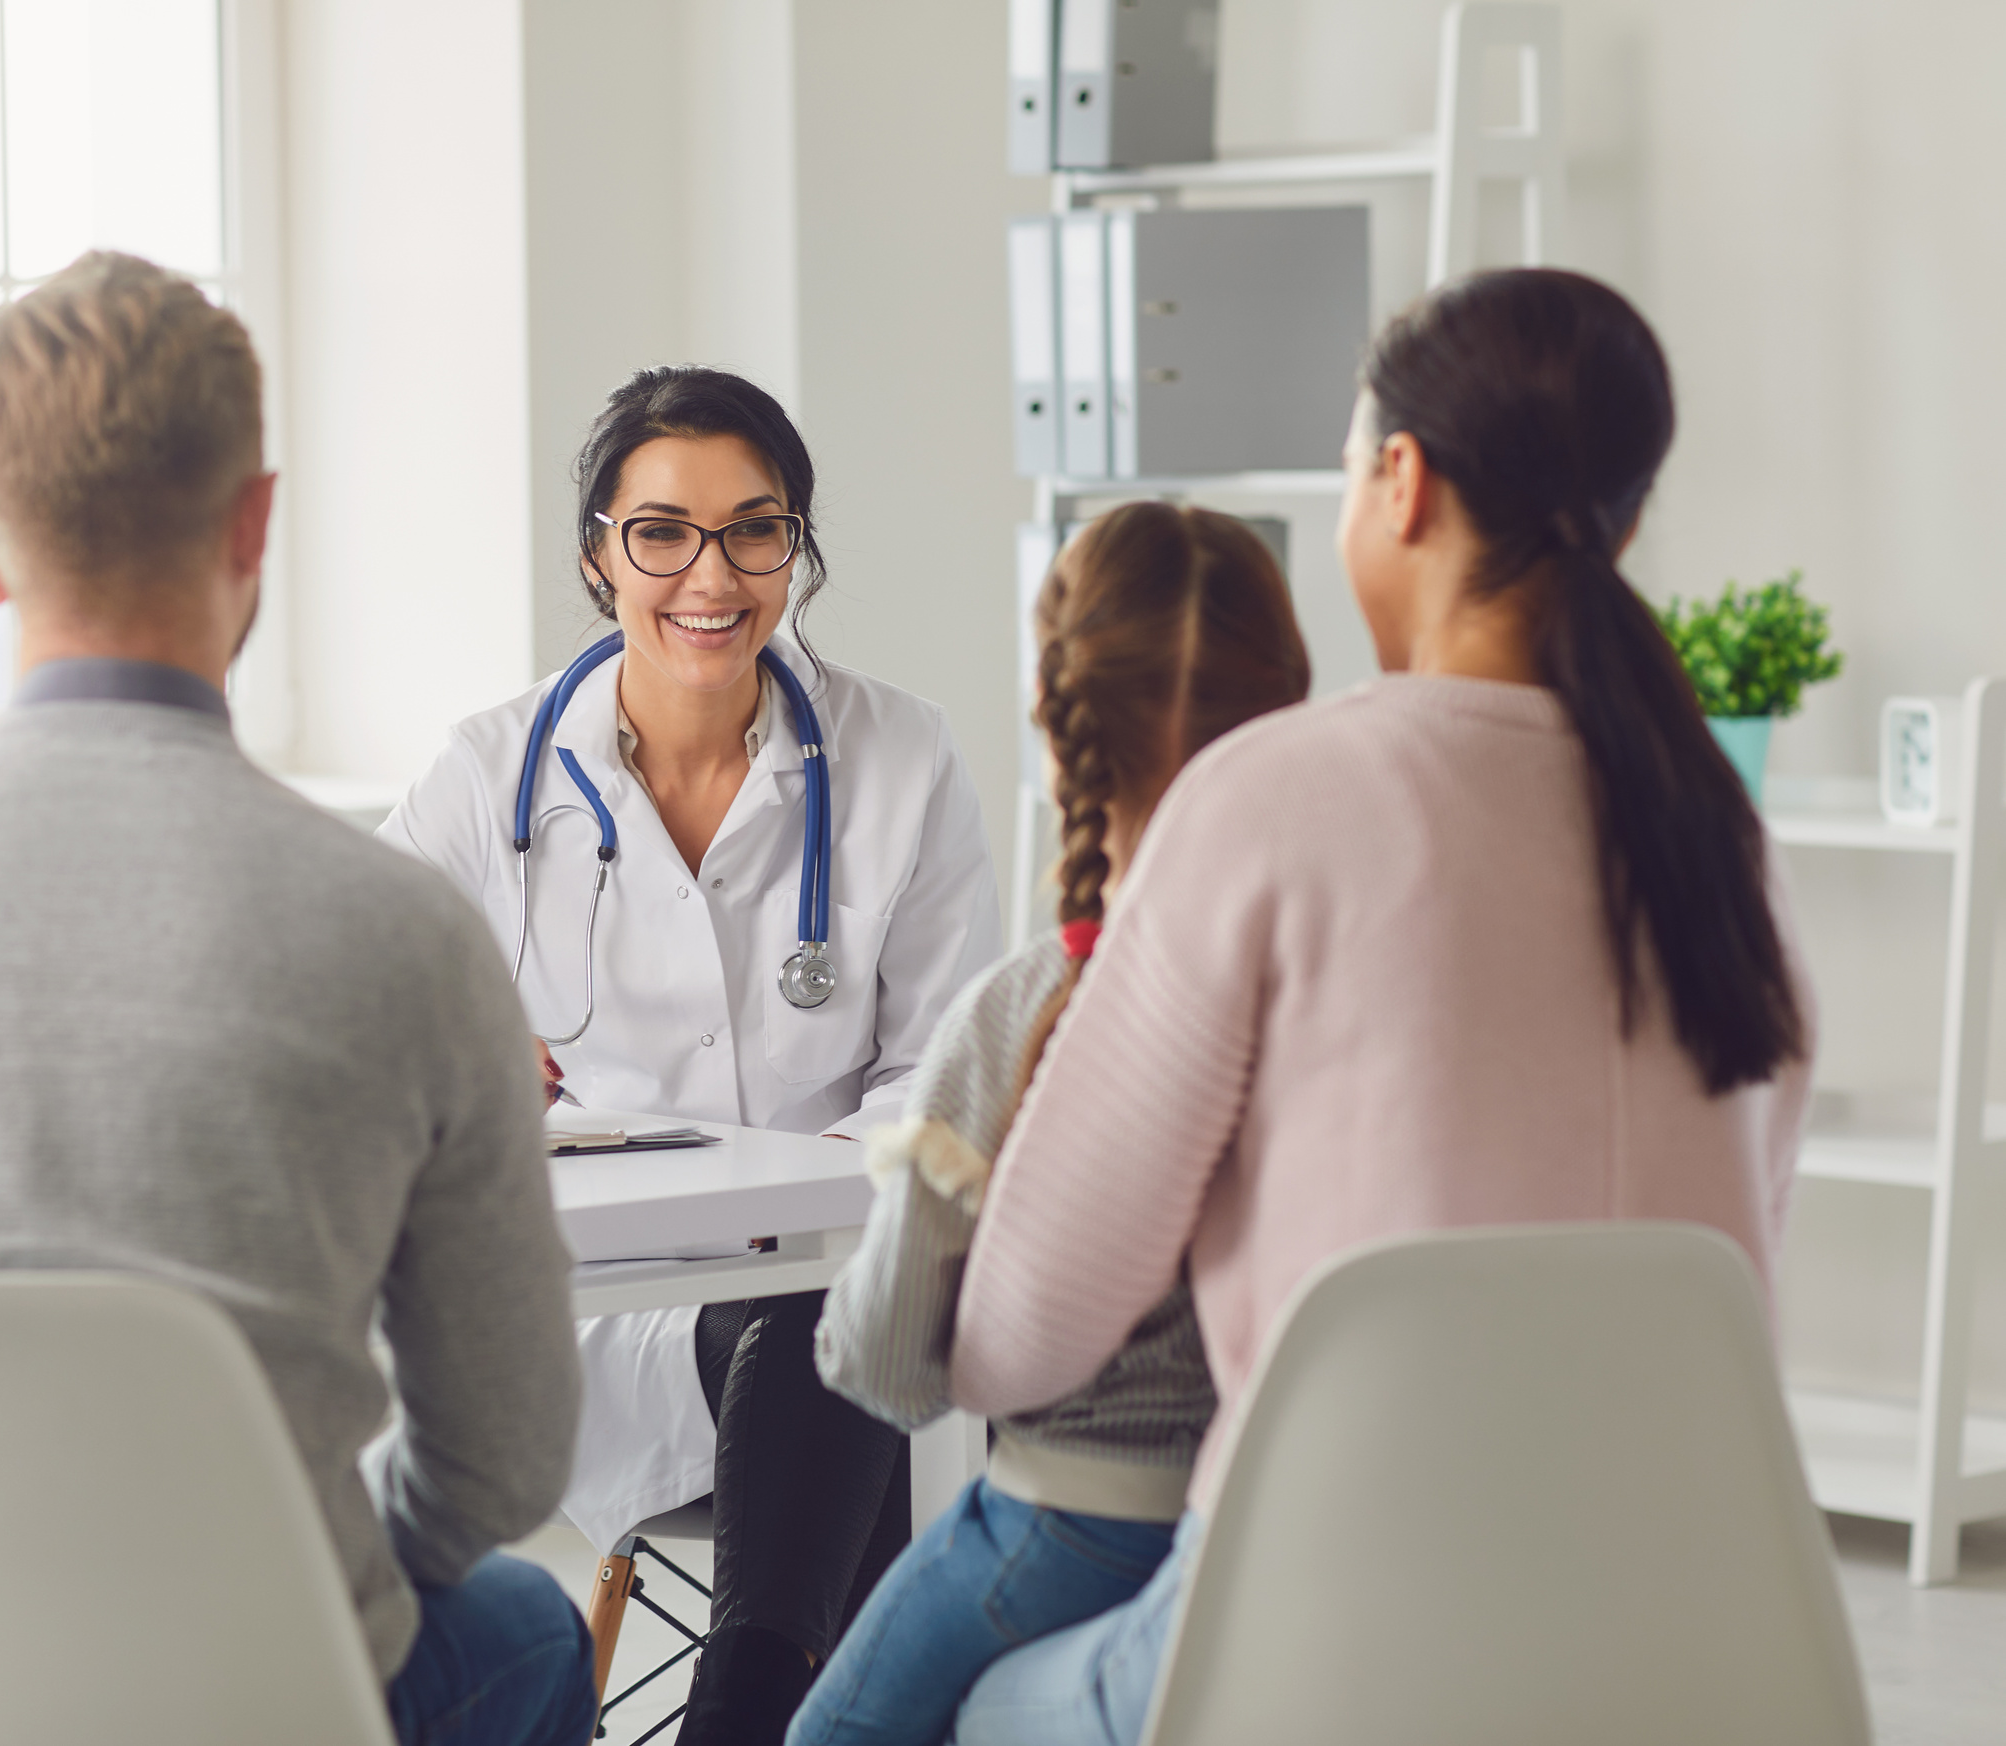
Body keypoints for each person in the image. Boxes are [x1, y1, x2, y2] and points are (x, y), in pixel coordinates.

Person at [0, 252, 595, 1746]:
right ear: (255, 519)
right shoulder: (404, 936)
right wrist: (306, 1583)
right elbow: (507, 1459)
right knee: (525, 1624)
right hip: (260, 1697)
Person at [940, 267, 1816, 1744]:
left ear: (1398, 483)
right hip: (1699, 1635)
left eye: (1350, 469)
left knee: (970, 1705)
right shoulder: (1718, 833)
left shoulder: (1268, 799)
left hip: (1325, 1644)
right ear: (1624, 519)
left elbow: (1018, 1330)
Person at [377, 365, 1002, 1743]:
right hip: (597, 1319)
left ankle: (737, 1710)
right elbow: (364, 1032)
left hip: (842, 1294)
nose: (708, 574)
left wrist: (802, 1198)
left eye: (752, 528)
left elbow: (948, 1075)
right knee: (847, 1357)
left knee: (832, 1318)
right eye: (660, 531)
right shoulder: (487, 782)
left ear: (796, 545)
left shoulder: (899, 759)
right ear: (598, 553)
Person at [790, 502, 1310, 1746]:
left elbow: (881, 1367)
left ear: (1054, 722)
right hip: (1275, 1531)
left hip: (1061, 1527)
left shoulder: (1028, 1015)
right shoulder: (1333, 1001)